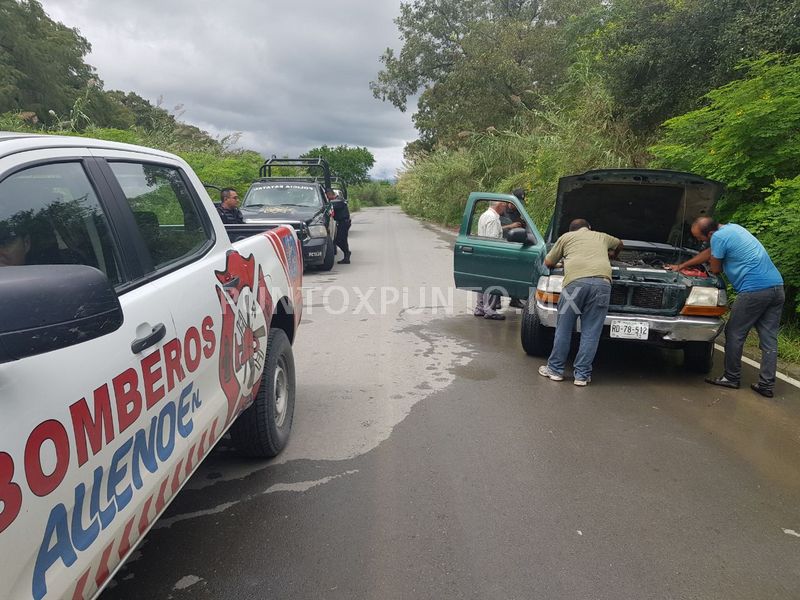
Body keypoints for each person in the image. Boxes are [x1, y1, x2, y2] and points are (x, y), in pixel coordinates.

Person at [666, 217, 784, 397]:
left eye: (701, 238)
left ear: (711, 233)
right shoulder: (732, 229)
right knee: (769, 338)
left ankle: (731, 377)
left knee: (734, 333)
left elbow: (715, 268)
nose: (700, 241)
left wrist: (708, 264)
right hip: (776, 288)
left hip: (754, 290)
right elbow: (710, 253)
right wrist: (682, 265)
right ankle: (766, 385)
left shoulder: (718, 238)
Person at [539, 218, 623, 386]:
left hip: (574, 285)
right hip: (602, 284)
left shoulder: (566, 237)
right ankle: (582, 376)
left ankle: (555, 370)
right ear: (589, 228)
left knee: (564, 328)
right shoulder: (601, 236)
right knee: (591, 332)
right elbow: (620, 243)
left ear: (572, 230)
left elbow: (548, 262)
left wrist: (564, 260)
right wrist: (613, 254)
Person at [474, 201, 508, 320]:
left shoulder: (484, 215)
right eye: (504, 205)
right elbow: (493, 241)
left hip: (482, 253)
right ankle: (490, 310)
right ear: (499, 205)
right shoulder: (493, 218)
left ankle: (480, 307)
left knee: (483, 282)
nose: (505, 208)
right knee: (492, 282)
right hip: (490, 256)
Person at [503, 188, 526, 308]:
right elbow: (495, 227)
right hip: (502, 243)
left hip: (515, 244)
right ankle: (494, 301)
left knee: (515, 272)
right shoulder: (501, 209)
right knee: (500, 272)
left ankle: (514, 299)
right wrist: (510, 226)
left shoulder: (519, 210)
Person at [326, 188, 352, 264]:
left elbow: (330, 207)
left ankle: (347, 253)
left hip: (344, 222)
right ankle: (346, 257)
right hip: (341, 222)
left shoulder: (339, 200)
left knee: (339, 240)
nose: (327, 198)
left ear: (330, 194)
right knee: (342, 240)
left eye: (327, 196)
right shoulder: (338, 200)